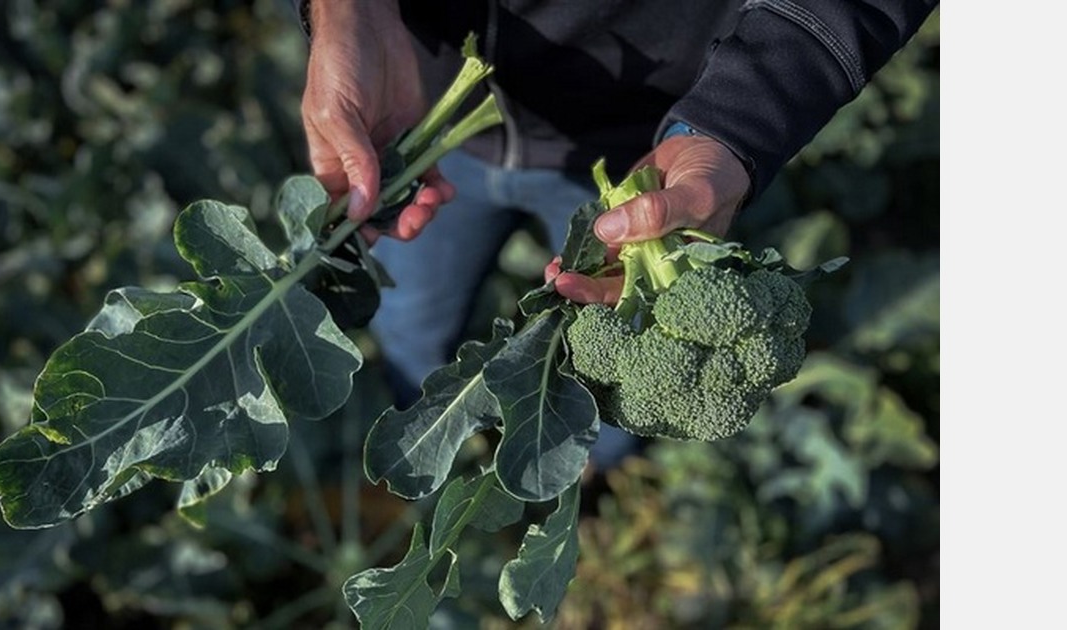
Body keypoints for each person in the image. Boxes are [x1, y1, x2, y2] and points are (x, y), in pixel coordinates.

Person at [295, 0, 938, 469]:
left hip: (657, 136)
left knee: (597, 402)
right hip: (421, 110)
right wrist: (346, 8)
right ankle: (431, 433)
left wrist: (733, 124)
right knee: (409, 319)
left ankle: (585, 480)